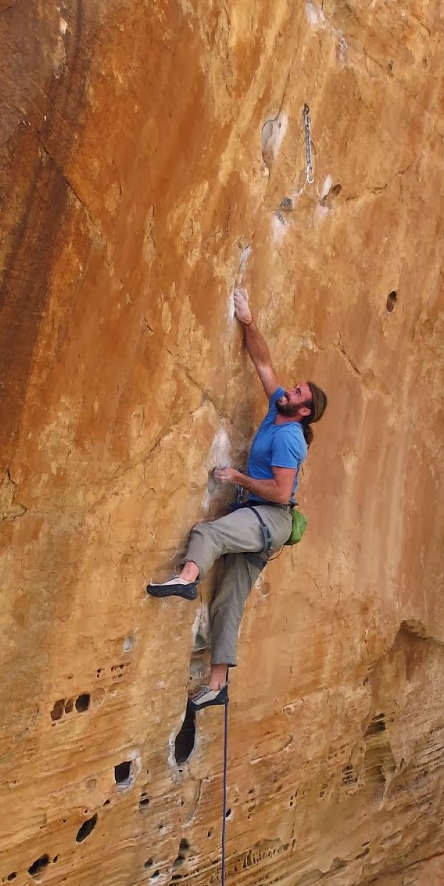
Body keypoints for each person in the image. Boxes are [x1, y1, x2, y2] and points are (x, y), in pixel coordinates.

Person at [146, 287, 327, 708]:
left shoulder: (289, 437)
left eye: (296, 393)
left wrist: (237, 476)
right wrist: (249, 320)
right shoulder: (277, 408)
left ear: (303, 412)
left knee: (210, 532)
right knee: (229, 599)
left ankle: (185, 581)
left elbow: (281, 492)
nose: (288, 390)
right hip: (263, 519)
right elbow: (262, 361)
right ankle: (216, 686)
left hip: (271, 516)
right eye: (293, 388)